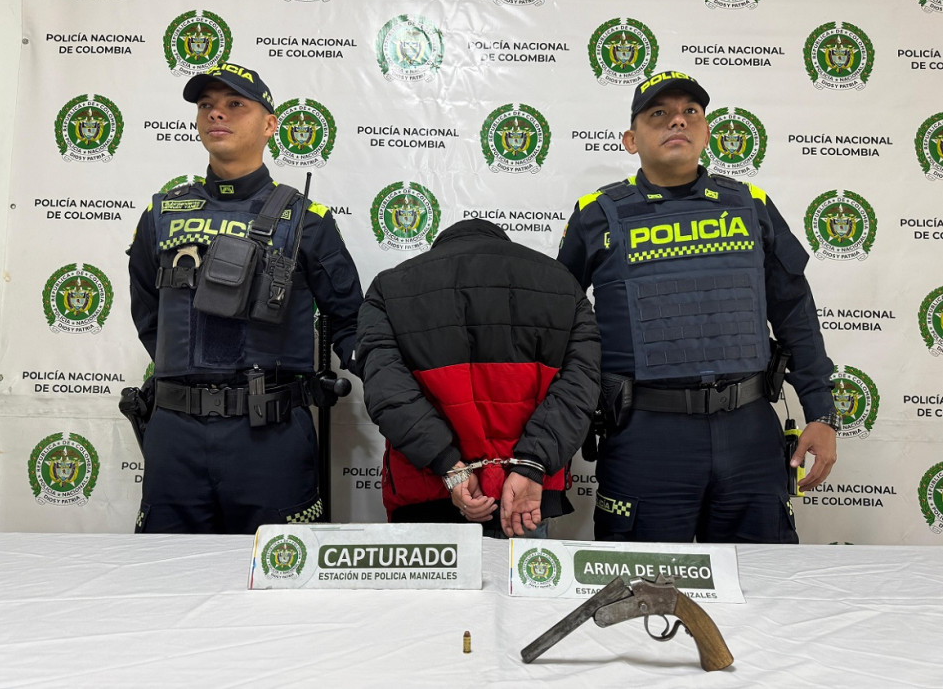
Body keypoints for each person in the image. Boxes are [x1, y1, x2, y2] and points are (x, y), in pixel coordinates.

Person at [558, 70, 838, 543]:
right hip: (647, 436)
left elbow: (795, 313)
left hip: (749, 432)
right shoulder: (597, 214)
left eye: (691, 113)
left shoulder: (751, 205)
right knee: (637, 590)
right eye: (659, 114)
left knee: (763, 589)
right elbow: (559, 327)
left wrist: (821, 412)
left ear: (707, 133)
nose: (678, 122)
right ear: (631, 139)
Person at [127, 61, 363, 534]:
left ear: (270, 124)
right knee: (164, 584)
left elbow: (349, 321)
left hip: (268, 436)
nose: (218, 115)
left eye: (235, 104)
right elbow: (147, 312)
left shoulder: (306, 218)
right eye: (206, 106)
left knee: (278, 588)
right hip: (175, 436)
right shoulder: (162, 213)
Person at [356, 219, 601, 538]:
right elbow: (579, 388)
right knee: (520, 585)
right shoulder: (562, 284)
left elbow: (387, 391)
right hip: (526, 498)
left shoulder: (389, 287)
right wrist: (532, 465)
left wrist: (448, 464)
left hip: (430, 492)